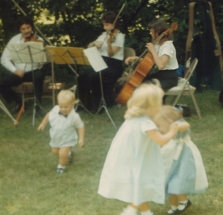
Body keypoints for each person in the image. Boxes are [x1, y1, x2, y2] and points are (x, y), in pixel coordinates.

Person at [98, 84, 181, 215]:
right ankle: (130, 210)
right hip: (140, 161)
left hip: (131, 158)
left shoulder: (133, 119)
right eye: (159, 102)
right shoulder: (146, 123)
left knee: (139, 185)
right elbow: (161, 140)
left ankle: (146, 212)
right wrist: (172, 131)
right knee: (142, 185)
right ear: (152, 105)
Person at [153, 105, 208, 215]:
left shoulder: (178, 127)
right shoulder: (167, 134)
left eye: (159, 125)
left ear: (169, 121)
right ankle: (174, 206)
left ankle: (184, 201)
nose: (158, 129)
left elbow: (186, 124)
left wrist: (176, 127)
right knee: (167, 183)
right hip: (170, 156)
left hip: (183, 157)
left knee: (178, 181)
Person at [78, 11, 125, 112]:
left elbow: (111, 54)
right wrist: (94, 43)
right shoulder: (104, 34)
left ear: (114, 25)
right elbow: (89, 47)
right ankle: (84, 104)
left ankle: (98, 106)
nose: (104, 27)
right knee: (82, 76)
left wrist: (108, 43)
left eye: (107, 25)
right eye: (104, 24)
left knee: (94, 76)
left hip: (114, 66)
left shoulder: (120, 37)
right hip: (102, 63)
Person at [0, 16, 45, 116]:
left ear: (31, 27)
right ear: (19, 30)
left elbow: (42, 62)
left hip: (34, 70)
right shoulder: (14, 40)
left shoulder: (39, 40)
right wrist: (15, 70)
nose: (26, 31)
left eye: (28, 28)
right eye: (23, 29)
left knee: (39, 75)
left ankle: (38, 107)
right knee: (1, 83)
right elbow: (4, 59)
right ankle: (19, 102)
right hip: (19, 72)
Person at [125, 18, 178, 96]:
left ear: (158, 32)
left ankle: (155, 106)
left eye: (152, 31)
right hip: (161, 75)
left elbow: (161, 65)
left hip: (169, 78)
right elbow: (151, 61)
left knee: (148, 89)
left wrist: (153, 50)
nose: (150, 33)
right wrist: (136, 58)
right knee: (141, 81)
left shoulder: (167, 46)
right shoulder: (158, 44)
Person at [37, 90, 85, 174]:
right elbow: (49, 115)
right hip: (56, 137)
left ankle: (61, 167)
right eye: (61, 106)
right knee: (55, 151)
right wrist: (43, 123)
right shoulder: (55, 109)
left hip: (68, 138)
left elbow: (80, 126)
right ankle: (69, 154)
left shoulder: (74, 116)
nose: (63, 109)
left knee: (62, 154)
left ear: (72, 105)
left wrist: (81, 138)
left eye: (66, 107)